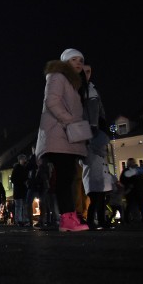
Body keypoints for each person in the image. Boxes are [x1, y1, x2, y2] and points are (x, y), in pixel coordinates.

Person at [35, 48, 89, 232]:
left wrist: (86, 80)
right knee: (65, 178)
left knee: (68, 177)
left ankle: (69, 217)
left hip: (66, 136)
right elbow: (51, 101)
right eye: (73, 59)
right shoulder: (57, 76)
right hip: (59, 133)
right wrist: (70, 120)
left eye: (81, 60)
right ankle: (67, 218)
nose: (78, 63)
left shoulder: (73, 82)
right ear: (65, 61)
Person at [79, 64, 113, 230]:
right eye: (84, 71)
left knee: (100, 196)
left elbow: (99, 111)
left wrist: (102, 125)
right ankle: (92, 221)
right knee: (95, 196)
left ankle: (101, 220)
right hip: (88, 134)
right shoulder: (80, 90)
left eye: (89, 71)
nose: (87, 74)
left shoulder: (92, 89)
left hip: (96, 131)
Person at [120, 158, 143, 224]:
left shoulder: (136, 171)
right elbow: (123, 181)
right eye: (131, 162)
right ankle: (132, 219)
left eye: (133, 162)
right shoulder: (129, 171)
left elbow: (142, 181)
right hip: (132, 192)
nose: (132, 163)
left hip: (138, 191)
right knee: (132, 205)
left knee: (140, 206)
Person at [10, 154, 30, 227]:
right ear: (20, 160)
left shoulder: (25, 168)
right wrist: (22, 182)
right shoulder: (17, 168)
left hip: (24, 190)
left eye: (25, 159)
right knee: (19, 206)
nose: (25, 160)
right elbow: (13, 179)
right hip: (19, 190)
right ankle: (19, 220)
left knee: (24, 205)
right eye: (23, 159)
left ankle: (24, 220)